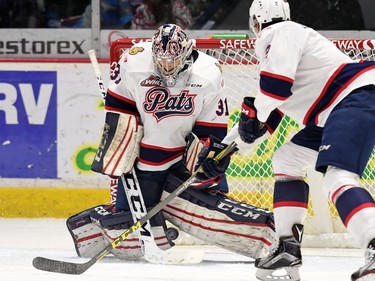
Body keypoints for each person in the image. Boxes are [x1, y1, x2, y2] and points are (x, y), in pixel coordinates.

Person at [66, 23, 275, 262]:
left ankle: (269, 234)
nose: (166, 66)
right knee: (133, 235)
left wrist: (207, 162)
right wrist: (123, 145)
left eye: (173, 60)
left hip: (183, 162)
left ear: (186, 52)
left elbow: (211, 132)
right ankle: (129, 226)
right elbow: (119, 111)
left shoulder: (208, 73)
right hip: (144, 162)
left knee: (210, 204)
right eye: (161, 60)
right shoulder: (133, 63)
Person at [210, 0, 375, 280]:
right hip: (333, 110)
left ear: (256, 22)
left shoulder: (282, 32)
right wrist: (224, 150)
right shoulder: (285, 47)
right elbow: (264, 119)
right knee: (286, 159)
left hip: (354, 97)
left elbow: (274, 90)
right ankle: (287, 246)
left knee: (337, 178)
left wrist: (257, 112)